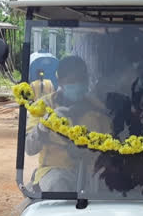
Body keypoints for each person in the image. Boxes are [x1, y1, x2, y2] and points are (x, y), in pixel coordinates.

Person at [25, 56, 110, 192]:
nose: (77, 84)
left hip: (91, 173)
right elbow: (29, 149)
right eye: (72, 81)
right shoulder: (42, 107)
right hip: (55, 170)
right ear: (60, 82)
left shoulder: (98, 109)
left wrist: (88, 149)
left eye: (81, 80)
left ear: (87, 80)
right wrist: (44, 126)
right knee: (58, 185)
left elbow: (110, 147)